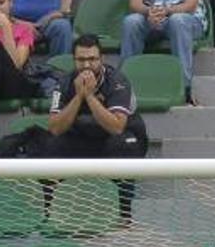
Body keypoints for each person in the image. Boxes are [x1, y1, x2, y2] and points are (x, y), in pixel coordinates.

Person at [45, 34, 147, 220]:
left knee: (124, 145)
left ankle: (124, 214)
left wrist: (90, 97)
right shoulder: (64, 83)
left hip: (116, 138)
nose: (86, 65)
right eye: (81, 60)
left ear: (102, 59)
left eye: (92, 59)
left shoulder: (117, 81)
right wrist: (78, 97)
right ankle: (49, 213)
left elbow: (117, 126)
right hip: (83, 136)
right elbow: (55, 128)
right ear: (74, 60)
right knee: (49, 146)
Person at [121, 0, 208, 96]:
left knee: (178, 21)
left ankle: (184, 87)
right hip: (150, 15)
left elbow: (190, 6)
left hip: (188, 18)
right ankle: (123, 87)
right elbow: (134, 3)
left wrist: (165, 11)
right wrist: (150, 11)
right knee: (131, 22)